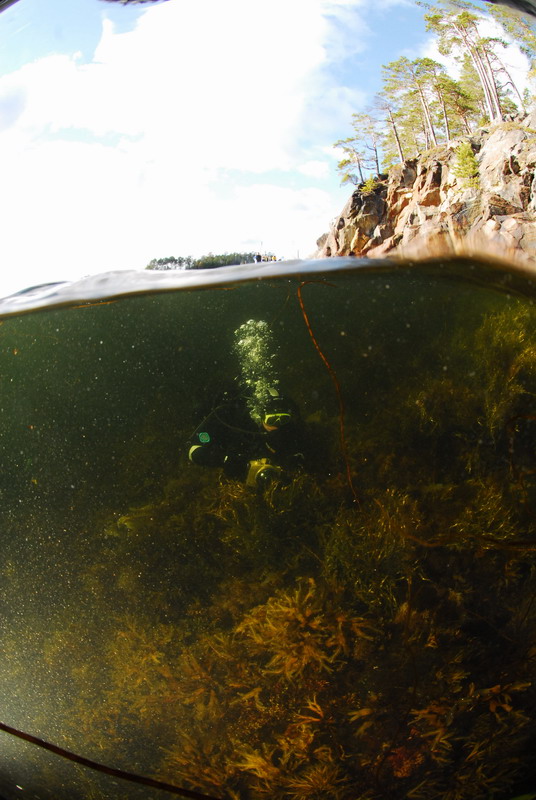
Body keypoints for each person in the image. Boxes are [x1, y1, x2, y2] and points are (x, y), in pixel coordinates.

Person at [188, 388, 307, 489]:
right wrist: (224, 460)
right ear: (259, 417)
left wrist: (297, 457)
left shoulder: (289, 427)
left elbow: (304, 445)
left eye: (283, 419)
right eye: (272, 420)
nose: (278, 426)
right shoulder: (232, 420)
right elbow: (193, 451)